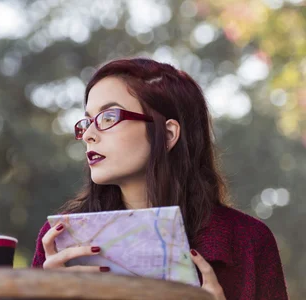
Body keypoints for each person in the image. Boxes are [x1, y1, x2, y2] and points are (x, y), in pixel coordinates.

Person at [32, 58, 288, 300]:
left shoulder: (249, 241)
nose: (88, 134)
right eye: (87, 121)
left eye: (108, 117)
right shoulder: (59, 242)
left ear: (167, 134)